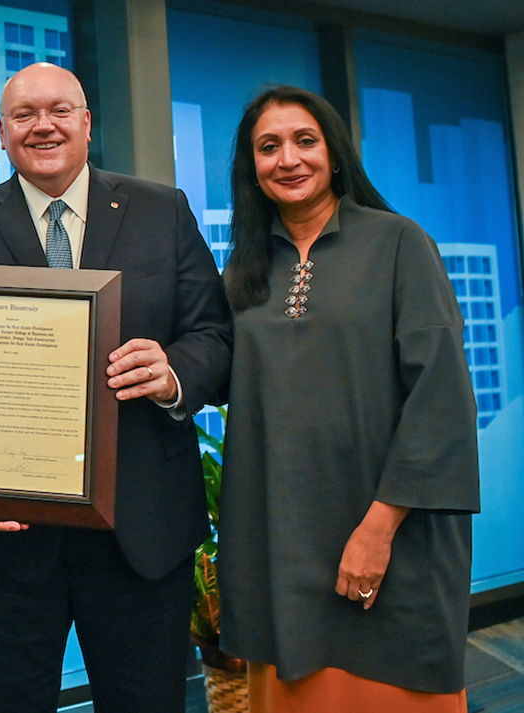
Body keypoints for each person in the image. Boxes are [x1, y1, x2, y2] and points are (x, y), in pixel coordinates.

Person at [0, 62, 233, 713]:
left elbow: (216, 336)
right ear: (3, 134)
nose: (44, 125)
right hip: (7, 534)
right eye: (24, 115)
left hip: (142, 531)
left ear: (87, 124)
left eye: (60, 110)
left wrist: (175, 370)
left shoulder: (162, 209)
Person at [218, 84, 479, 712]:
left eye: (305, 141)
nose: (288, 159)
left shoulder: (398, 243)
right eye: (268, 146)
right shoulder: (242, 273)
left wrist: (379, 528)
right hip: (279, 540)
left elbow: (439, 399)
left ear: (334, 154)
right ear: (250, 169)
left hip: (392, 533)